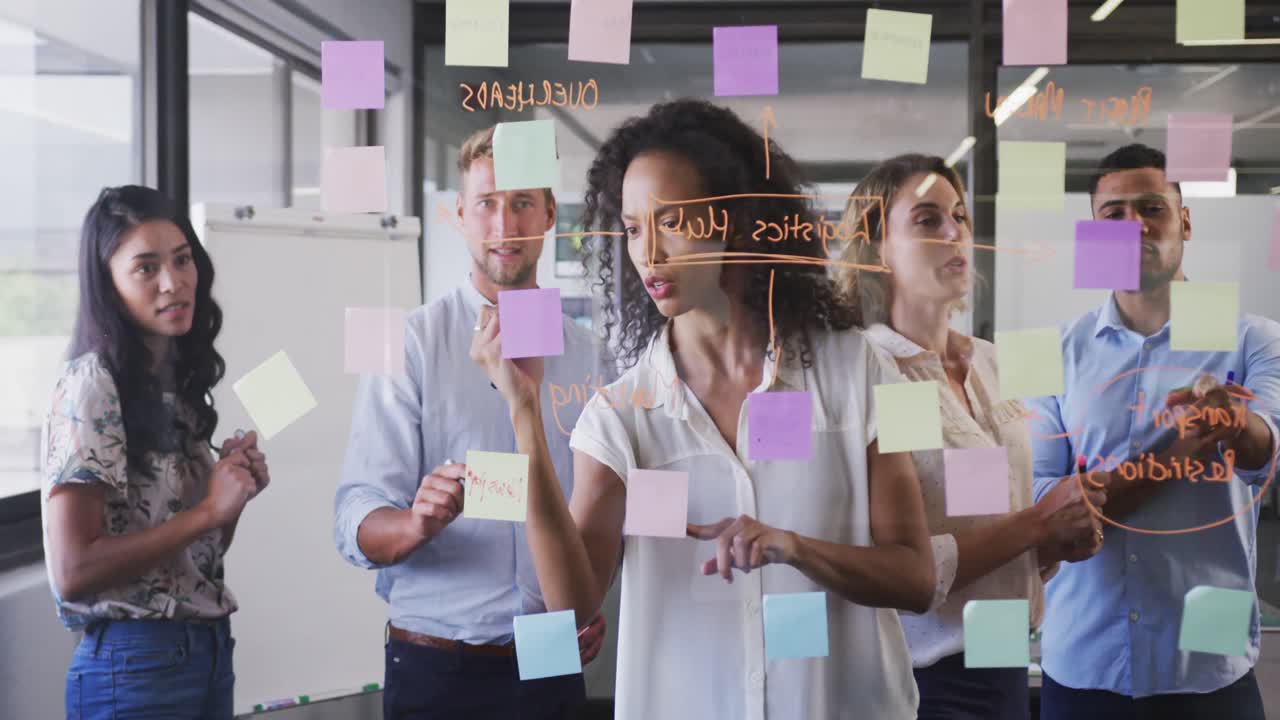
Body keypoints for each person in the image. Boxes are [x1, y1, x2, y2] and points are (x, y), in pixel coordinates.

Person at [469, 98, 936, 720]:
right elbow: (573, 606)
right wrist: (524, 412)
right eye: (634, 229)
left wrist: (794, 547)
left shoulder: (864, 369)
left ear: (735, 223)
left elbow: (917, 579)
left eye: (672, 221)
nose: (649, 254)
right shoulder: (620, 415)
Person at [333, 125, 608, 720]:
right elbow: (354, 514)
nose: (505, 225)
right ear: (460, 214)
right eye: (487, 204)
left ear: (550, 213)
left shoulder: (592, 359)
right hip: (438, 661)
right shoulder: (412, 344)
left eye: (522, 202)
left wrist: (589, 595)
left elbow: (602, 514)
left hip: (550, 653)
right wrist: (414, 524)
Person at [834, 154, 1104, 719]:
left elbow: (980, 524)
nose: (955, 232)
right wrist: (1038, 522)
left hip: (1005, 660)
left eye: (959, 216)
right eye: (927, 220)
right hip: (923, 680)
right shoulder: (875, 370)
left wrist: (1053, 543)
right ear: (876, 248)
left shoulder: (991, 362)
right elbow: (910, 567)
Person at [1027, 143, 1280, 720]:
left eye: (1152, 208)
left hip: (1208, 668)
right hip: (1083, 663)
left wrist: (1234, 424)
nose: (1134, 225)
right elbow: (1041, 502)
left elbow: (1267, 452)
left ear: (1185, 221)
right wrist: (1177, 449)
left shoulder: (1253, 338)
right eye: (1114, 214)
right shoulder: (1050, 352)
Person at [41, 185, 270, 719]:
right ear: (109, 285)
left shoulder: (175, 385)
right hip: (135, 664)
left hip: (205, 650)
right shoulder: (93, 384)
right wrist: (208, 510)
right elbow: (73, 570)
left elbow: (191, 557)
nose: (174, 282)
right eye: (146, 268)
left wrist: (231, 499)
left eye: (182, 260)